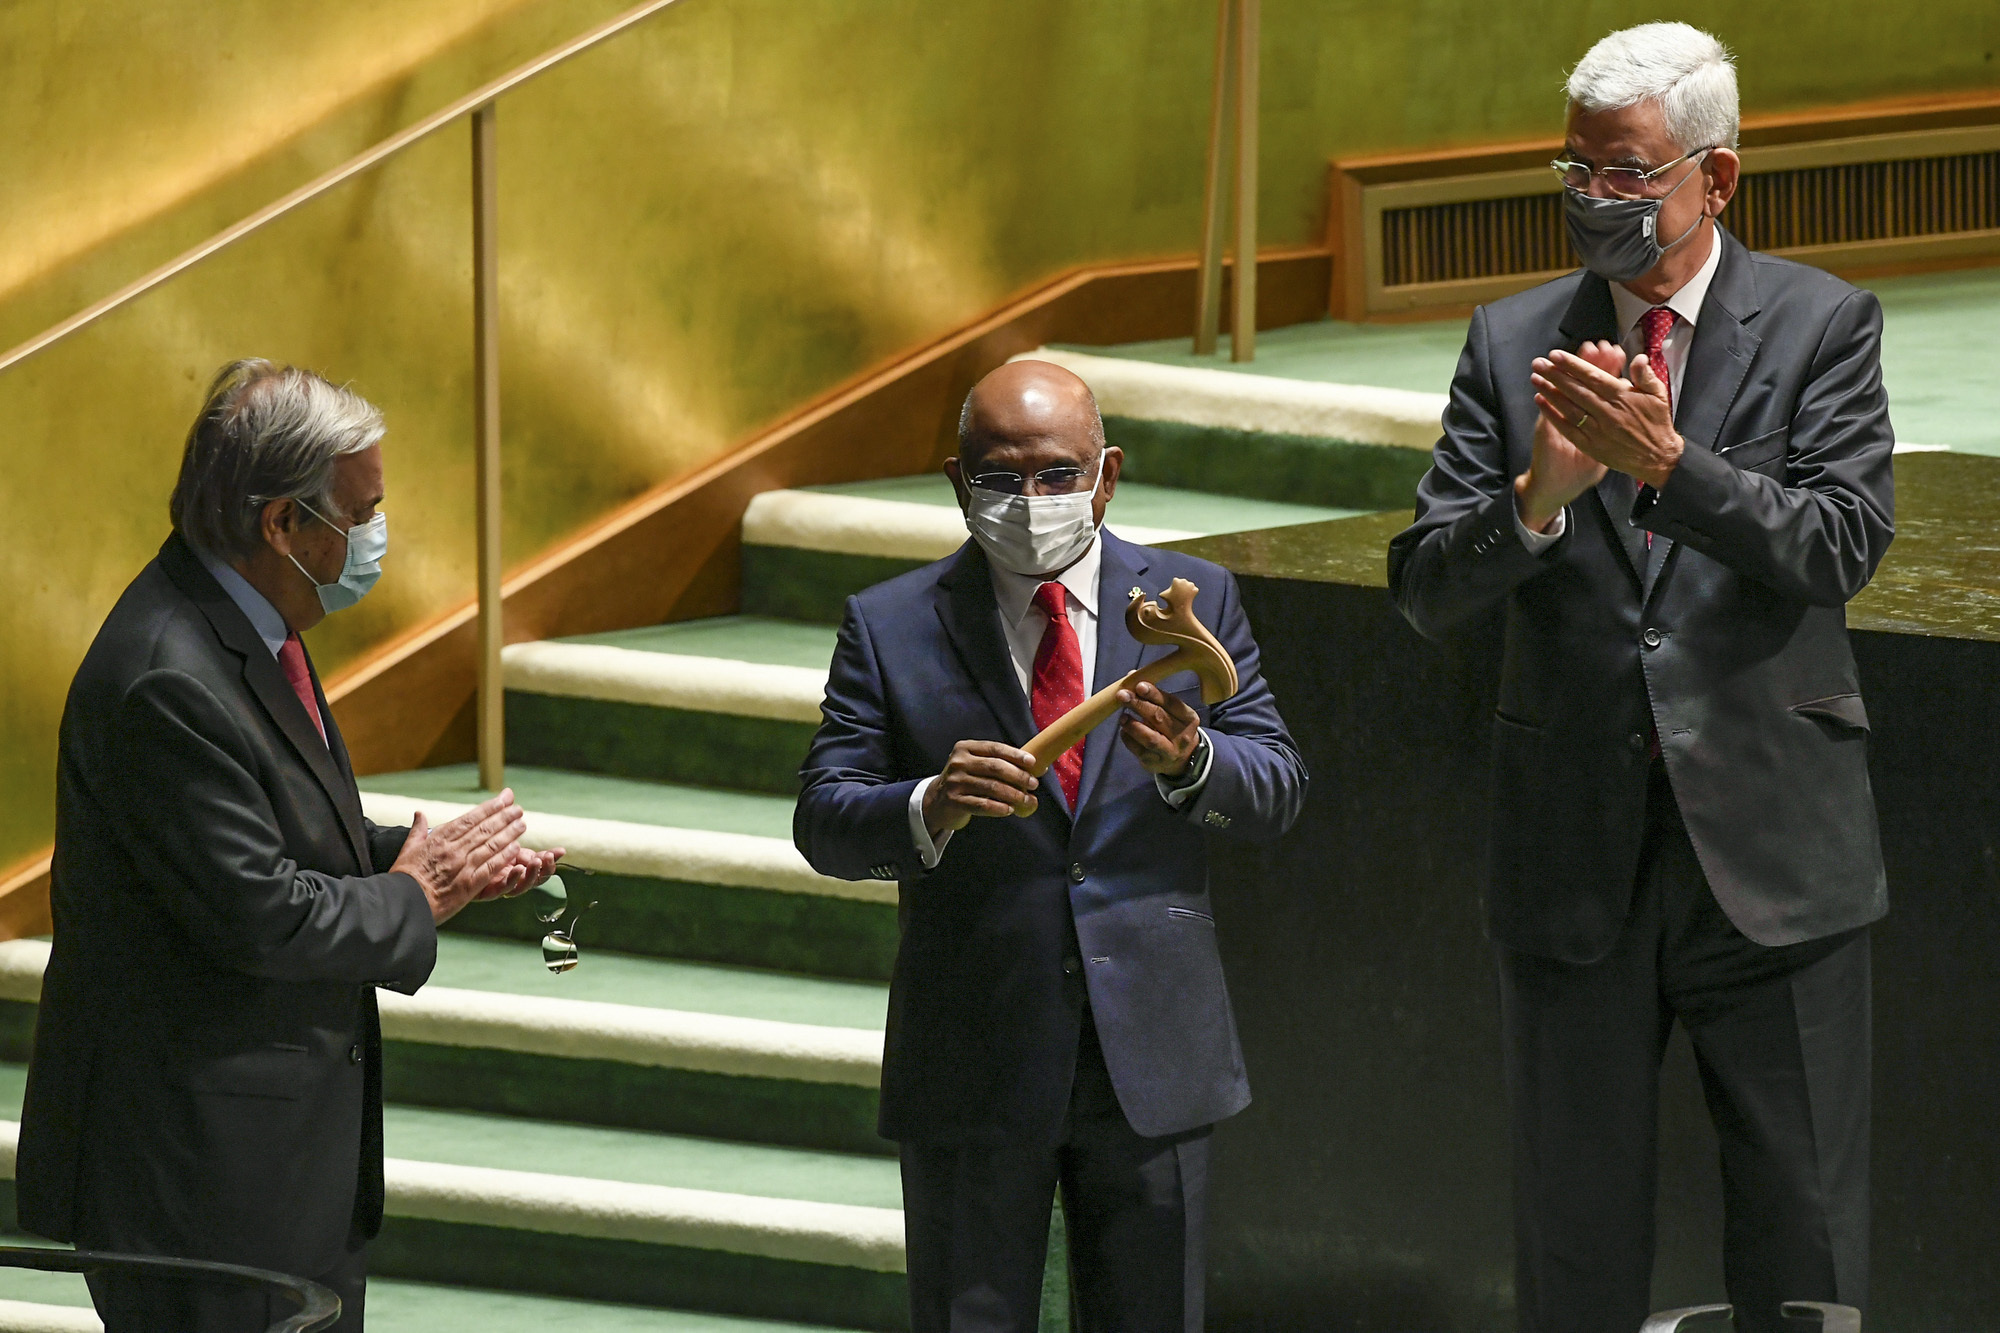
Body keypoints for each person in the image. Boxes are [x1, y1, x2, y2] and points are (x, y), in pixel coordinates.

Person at [1387, 23, 1893, 1333]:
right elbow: (1429, 585)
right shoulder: (1512, 345)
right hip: (1574, 855)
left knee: (1803, 1229)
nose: (1594, 200)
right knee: (1573, 1228)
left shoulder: (1821, 322)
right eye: (1578, 169)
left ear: (1714, 180)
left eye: (1628, 175)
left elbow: (1840, 545)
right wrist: (1538, 505)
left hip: (1773, 857)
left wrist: (1676, 469)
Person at [16, 360, 562, 1332]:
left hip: (270, 1163)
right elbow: (259, 914)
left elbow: (276, 832)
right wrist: (412, 893)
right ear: (281, 524)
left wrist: (434, 861)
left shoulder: (254, 623)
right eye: (362, 511)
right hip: (193, 1175)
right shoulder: (166, 678)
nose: (375, 535)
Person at [795, 360, 1306, 1332]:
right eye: (1000, 478)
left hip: (1150, 1057)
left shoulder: (1192, 602)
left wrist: (1193, 762)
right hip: (973, 1056)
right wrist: (928, 806)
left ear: (1105, 475)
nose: (1030, 502)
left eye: (1057, 475)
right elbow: (822, 819)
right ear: (957, 481)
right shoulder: (890, 624)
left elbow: (1277, 786)